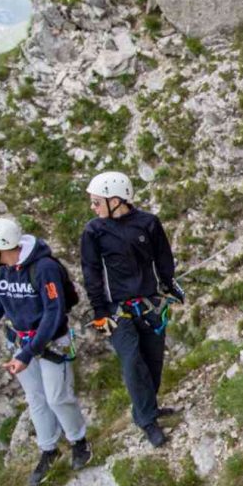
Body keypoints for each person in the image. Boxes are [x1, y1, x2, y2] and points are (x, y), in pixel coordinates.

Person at [80, 172, 185, 448]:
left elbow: (163, 257)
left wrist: (169, 284)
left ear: (115, 200)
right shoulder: (94, 231)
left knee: (153, 361)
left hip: (149, 303)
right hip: (117, 311)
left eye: (96, 202)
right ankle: (147, 421)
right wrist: (99, 311)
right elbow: (91, 272)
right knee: (132, 363)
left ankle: (148, 407)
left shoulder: (148, 223)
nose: (93, 208)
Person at [0, 218, 91, 486]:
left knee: (58, 397)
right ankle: (48, 449)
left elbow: (54, 311)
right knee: (36, 399)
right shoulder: (0, 272)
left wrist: (28, 353)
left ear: (2, 246)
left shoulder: (44, 268)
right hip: (22, 343)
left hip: (50, 342)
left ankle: (79, 441)